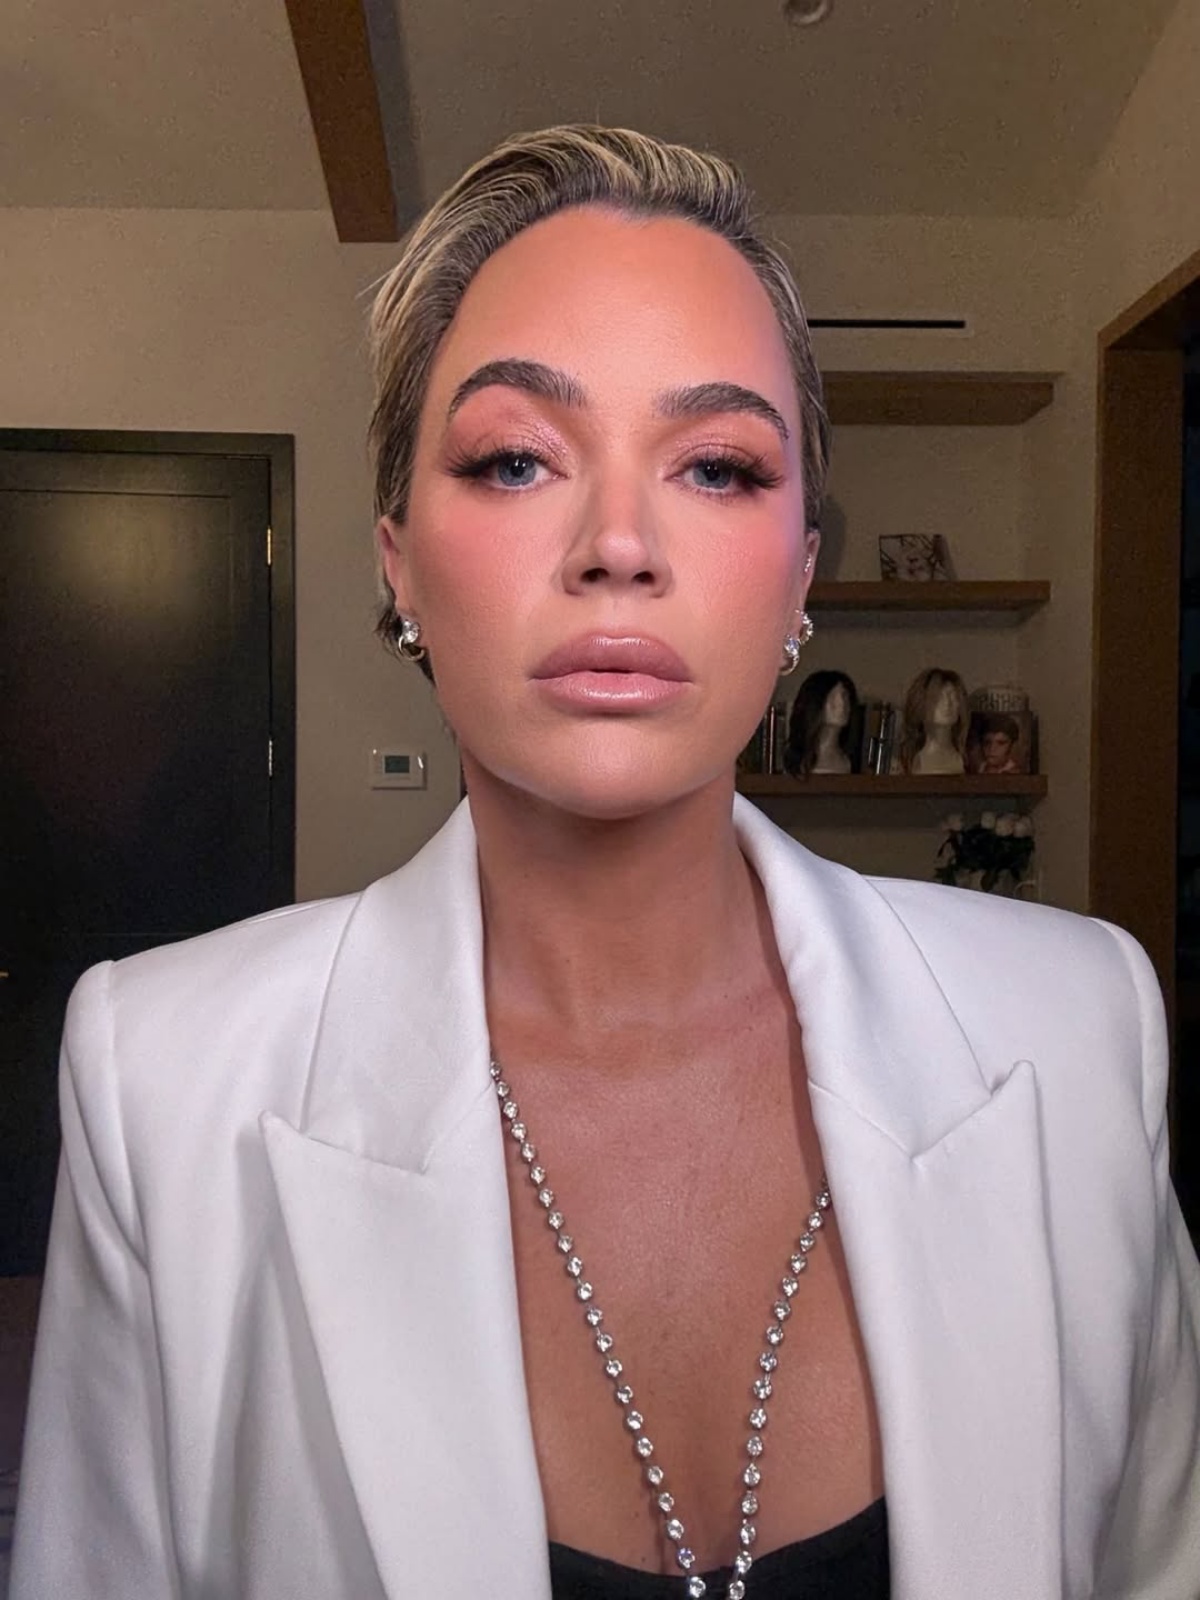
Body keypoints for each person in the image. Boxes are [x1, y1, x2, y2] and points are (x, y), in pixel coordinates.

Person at [11, 125, 1200, 1600]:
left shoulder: (1079, 1026)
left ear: (802, 576)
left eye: (717, 466)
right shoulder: (163, 1080)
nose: (619, 544)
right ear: (399, 561)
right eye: (516, 458)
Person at [784, 669, 860, 776]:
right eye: (832, 698)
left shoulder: (852, 761)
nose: (842, 705)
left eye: (845, 697)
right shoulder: (798, 759)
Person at [900, 666, 969, 775]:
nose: (947, 703)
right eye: (939, 697)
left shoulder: (965, 760)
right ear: (922, 703)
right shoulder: (917, 760)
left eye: (953, 696)